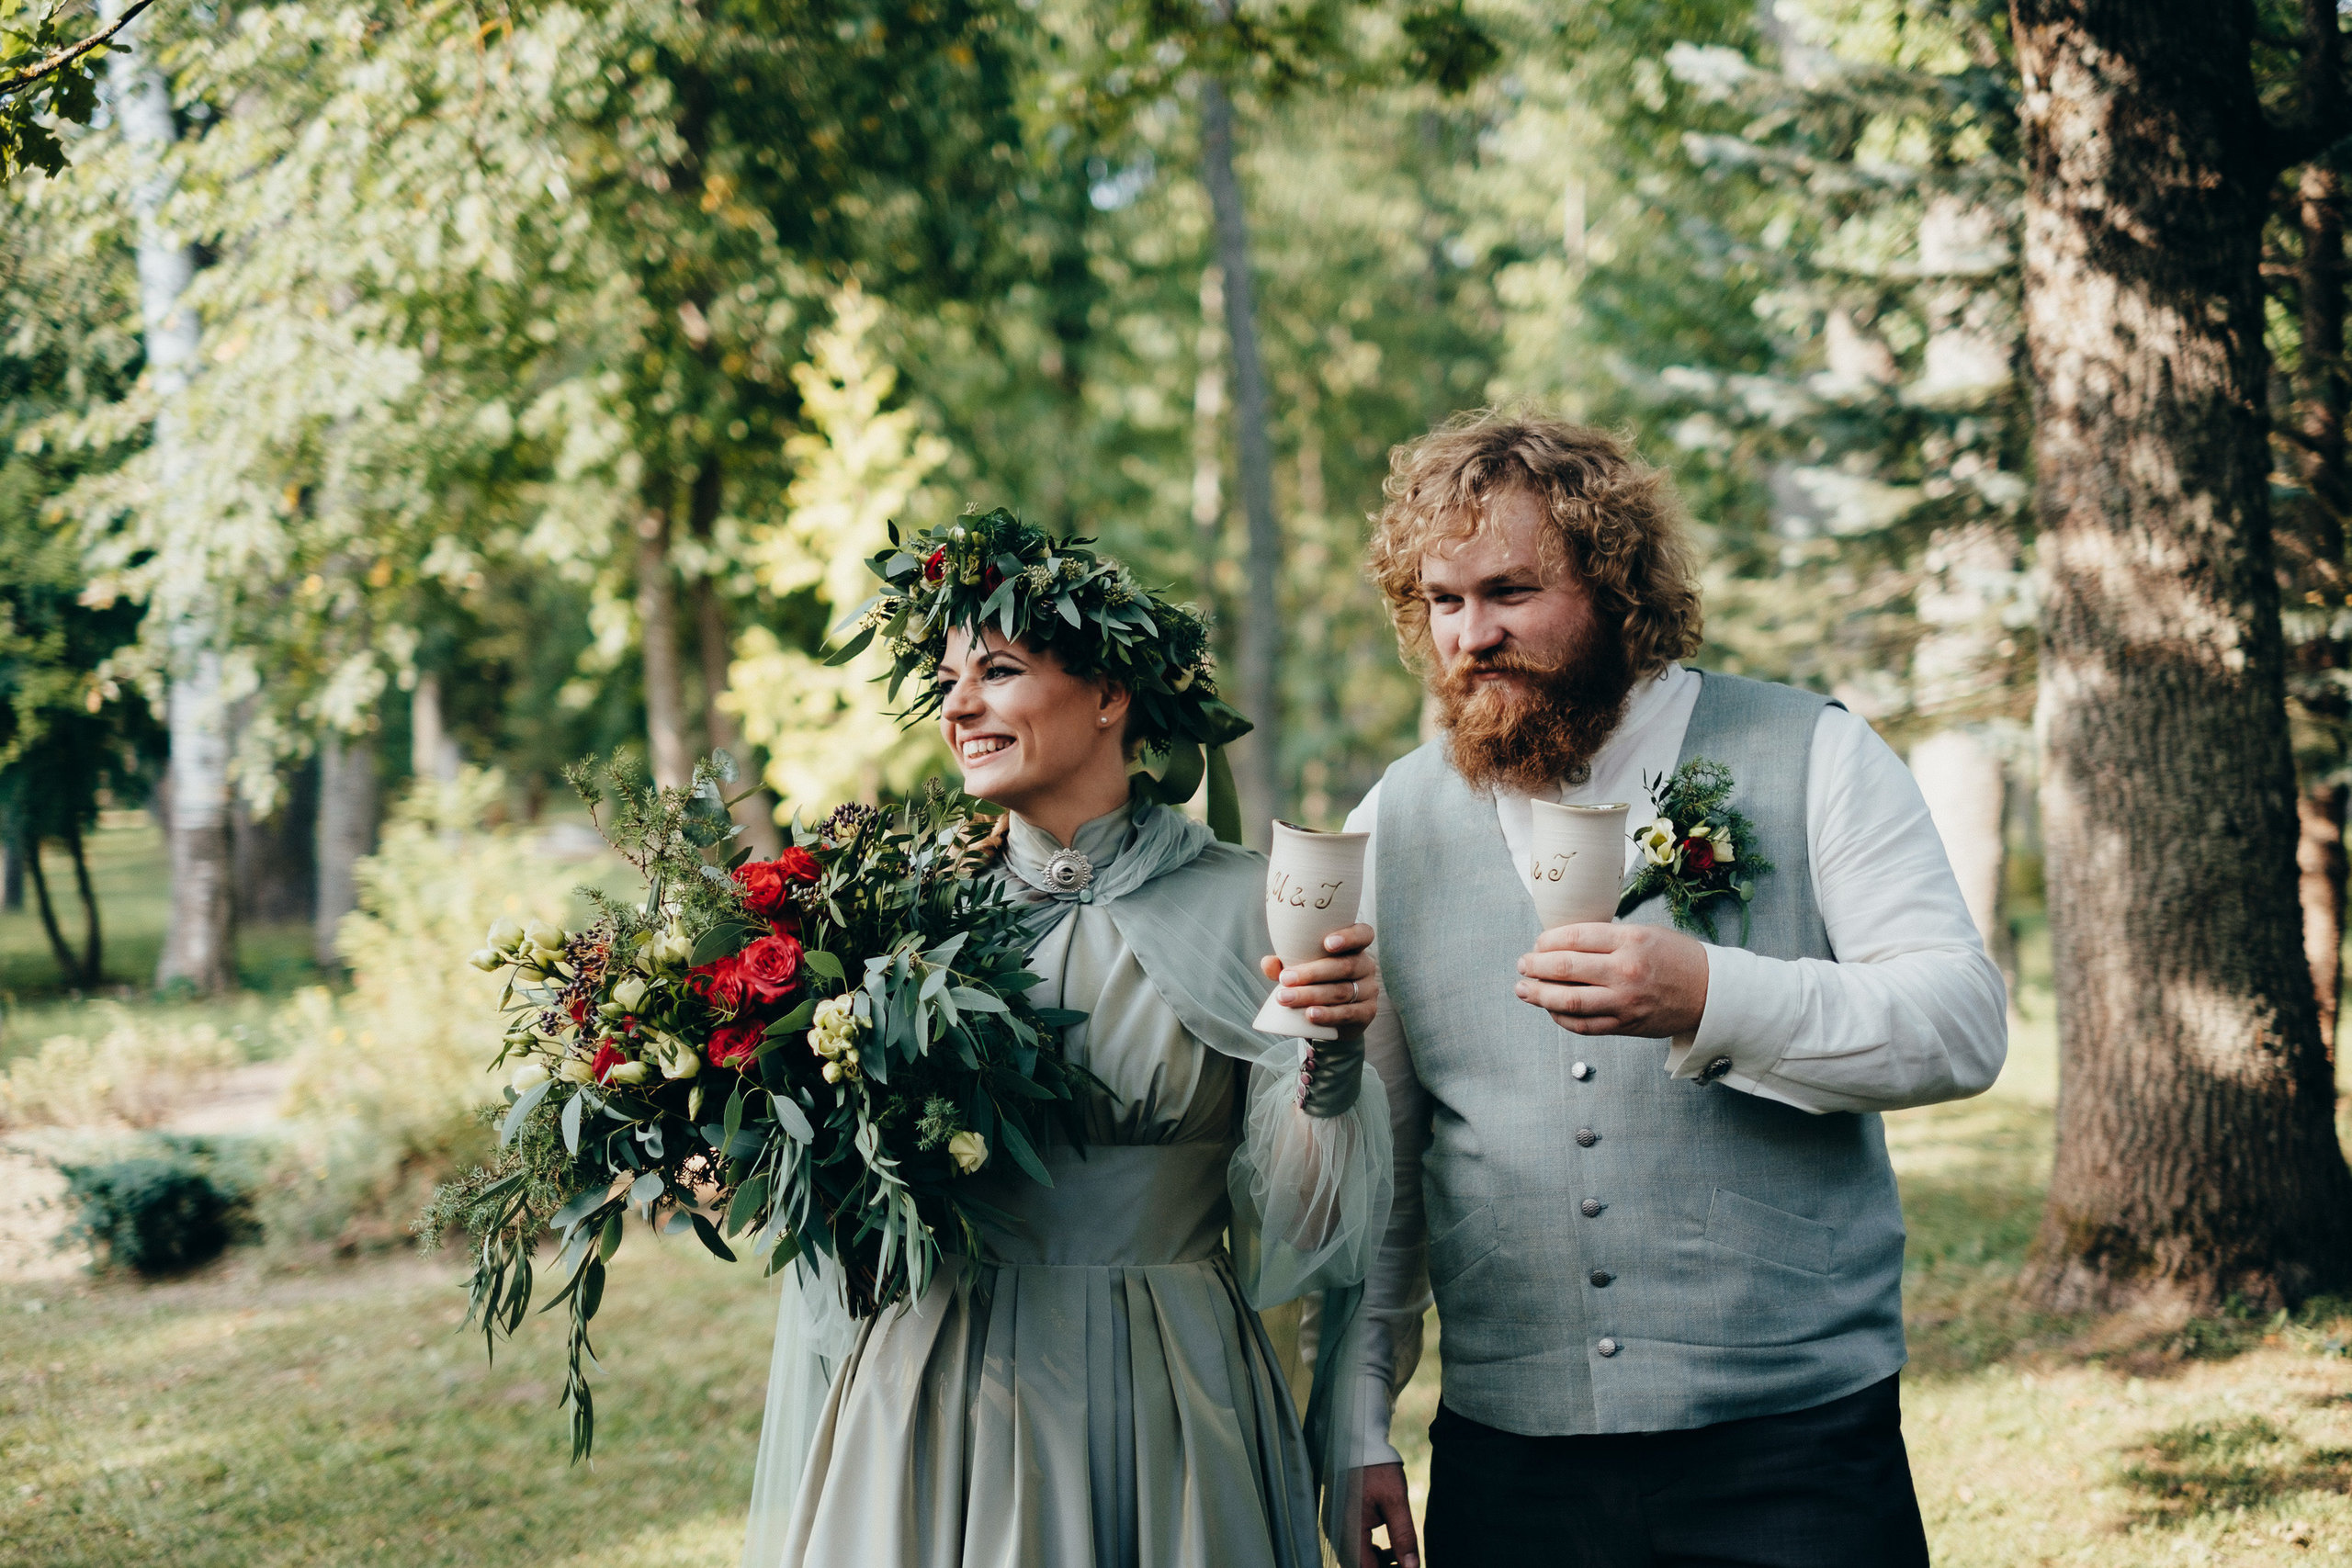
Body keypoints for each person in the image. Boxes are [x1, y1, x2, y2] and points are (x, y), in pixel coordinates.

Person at [1342, 413, 2008, 1568]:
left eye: (1510, 591)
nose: (1471, 635)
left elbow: (1960, 1024)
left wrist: (1712, 995)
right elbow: (1385, 1165)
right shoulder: (1392, 819)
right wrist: (1359, 1420)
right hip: (1511, 1460)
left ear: (1616, 587)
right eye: (1443, 601)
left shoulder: (1814, 751)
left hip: (1794, 1448)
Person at [740, 511, 1395, 1568]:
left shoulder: (1256, 903)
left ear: (1108, 694)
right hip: (938, 1383)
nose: (958, 706)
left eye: (997, 671)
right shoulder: (901, 919)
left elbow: (1309, 1220)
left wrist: (1330, 1065)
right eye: (947, 682)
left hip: (1167, 1383)